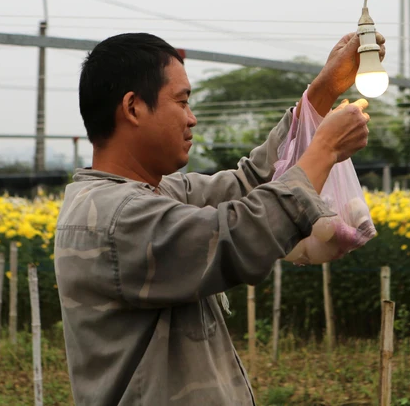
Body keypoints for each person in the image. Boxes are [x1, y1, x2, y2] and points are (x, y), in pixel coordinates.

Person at [55, 31, 385, 406]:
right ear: (133, 108)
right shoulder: (114, 217)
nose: (191, 118)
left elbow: (249, 182)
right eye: (182, 102)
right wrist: (324, 148)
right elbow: (239, 236)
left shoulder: (154, 193)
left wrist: (323, 92)